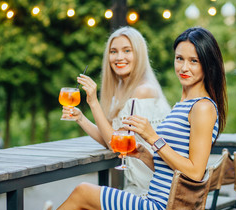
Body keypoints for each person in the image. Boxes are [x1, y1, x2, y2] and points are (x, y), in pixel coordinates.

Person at [47, 26, 227, 210]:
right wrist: (144, 154)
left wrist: (153, 137)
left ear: (208, 64)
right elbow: (171, 171)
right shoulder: (183, 104)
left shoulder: (203, 107)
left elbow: (195, 173)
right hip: (156, 207)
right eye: (179, 58)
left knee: (83, 190)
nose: (184, 67)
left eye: (194, 61)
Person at [62, 26, 170, 196]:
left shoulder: (142, 91)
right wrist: (80, 118)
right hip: (137, 186)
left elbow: (115, 145)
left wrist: (93, 102)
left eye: (127, 50)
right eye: (113, 51)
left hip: (153, 190)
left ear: (139, 55)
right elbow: (109, 138)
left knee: (80, 194)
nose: (119, 57)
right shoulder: (121, 89)